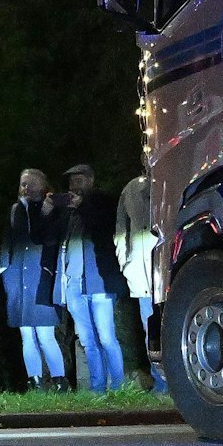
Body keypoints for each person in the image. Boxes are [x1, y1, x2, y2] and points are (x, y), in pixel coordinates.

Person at [53, 164, 131, 393]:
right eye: (71, 182)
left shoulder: (103, 202)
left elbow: (103, 230)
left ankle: (118, 388)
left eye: (78, 180)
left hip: (99, 281)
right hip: (73, 281)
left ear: (90, 180)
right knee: (87, 340)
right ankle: (98, 388)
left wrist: (83, 206)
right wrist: (51, 210)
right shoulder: (67, 211)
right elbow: (51, 238)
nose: (74, 186)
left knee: (106, 337)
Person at [0, 168, 67, 392]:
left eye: (31, 183)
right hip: (18, 277)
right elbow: (7, 240)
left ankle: (59, 381)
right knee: (26, 333)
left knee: (45, 334)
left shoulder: (52, 209)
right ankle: (34, 380)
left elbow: (50, 238)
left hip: (40, 276)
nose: (26, 188)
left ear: (42, 185)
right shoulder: (15, 210)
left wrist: (46, 212)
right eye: (23, 184)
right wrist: (4, 268)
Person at [114, 172, 164, 392]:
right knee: (149, 328)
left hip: (163, 270)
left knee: (167, 326)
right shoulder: (132, 187)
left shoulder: (169, 179)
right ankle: (159, 381)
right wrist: (126, 262)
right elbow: (121, 229)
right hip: (140, 272)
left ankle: (173, 381)